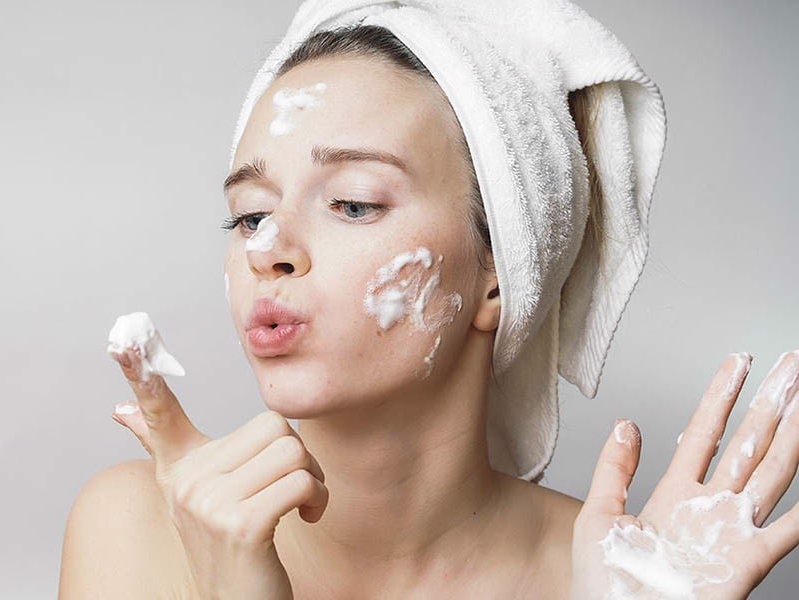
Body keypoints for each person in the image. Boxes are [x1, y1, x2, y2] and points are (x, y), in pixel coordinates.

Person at [59, 8, 799, 600]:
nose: (268, 248)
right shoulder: (137, 530)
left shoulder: (622, 575)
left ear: (499, 275)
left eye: (353, 203)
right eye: (250, 215)